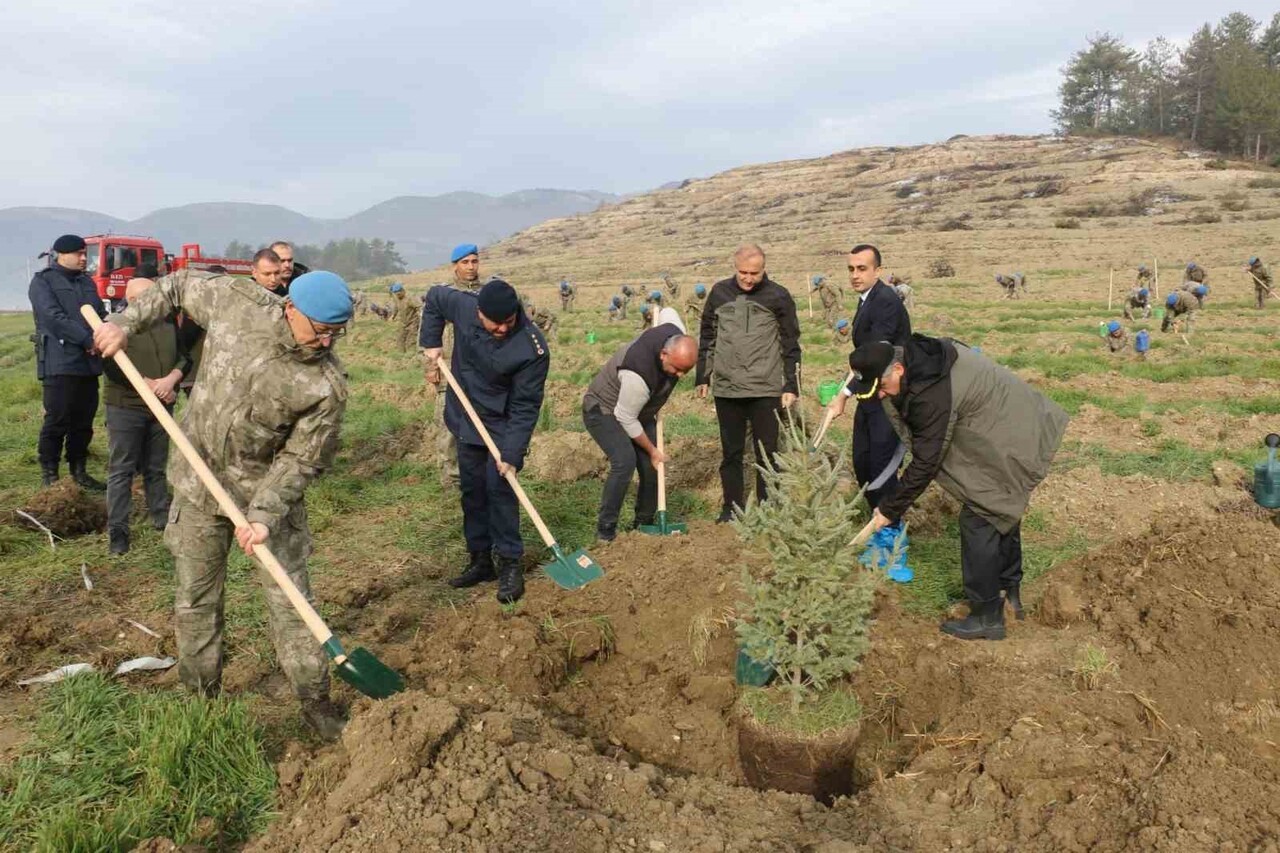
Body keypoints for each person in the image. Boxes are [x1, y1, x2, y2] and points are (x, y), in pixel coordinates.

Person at [92, 269, 354, 738]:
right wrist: (126, 323)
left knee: (292, 604)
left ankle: (316, 702)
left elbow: (302, 459)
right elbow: (174, 285)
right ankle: (200, 698)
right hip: (196, 484)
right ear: (291, 307)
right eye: (321, 330)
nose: (328, 342)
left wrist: (265, 513)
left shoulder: (324, 386)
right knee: (196, 598)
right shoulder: (237, 302)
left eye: (338, 332)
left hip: (265, 498)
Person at [854, 337, 1068, 639]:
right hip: (1005, 422)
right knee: (1000, 509)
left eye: (883, 388)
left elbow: (927, 462)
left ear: (899, 369)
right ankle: (1009, 593)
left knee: (981, 515)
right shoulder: (910, 360)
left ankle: (986, 616)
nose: (881, 396)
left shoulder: (931, 394)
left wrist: (890, 509)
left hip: (1012, 433)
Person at [420, 280, 549, 604]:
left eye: (509, 321)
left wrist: (512, 452)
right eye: (496, 323)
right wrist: (431, 343)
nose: (504, 328)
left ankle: (509, 562)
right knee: (472, 491)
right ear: (479, 313)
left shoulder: (531, 348)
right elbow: (435, 298)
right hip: (465, 412)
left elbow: (525, 407)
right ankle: (480, 560)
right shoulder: (464, 307)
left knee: (500, 491)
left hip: (501, 424)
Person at [696, 244, 801, 520]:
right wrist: (703, 376)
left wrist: (791, 385)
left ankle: (768, 510)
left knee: (766, 454)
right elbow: (707, 335)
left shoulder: (778, 296)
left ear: (763, 269)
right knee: (731, 453)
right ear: (735, 267)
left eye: (754, 273)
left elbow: (791, 344)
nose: (748, 278)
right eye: (743, 272)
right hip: (727, 389)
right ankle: (730, 509)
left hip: (765, 388)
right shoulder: (719, 293)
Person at [582, 307, 698, 541]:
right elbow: (625, 418)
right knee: (624, 461)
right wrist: (653, 450)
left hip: (639, 412)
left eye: (686, 370)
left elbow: (667, 311)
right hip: (603, 409)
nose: (680, 376)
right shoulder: (638, 372)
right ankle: (606, 532)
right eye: (677, 369)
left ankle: (643, 526)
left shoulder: (675, 332)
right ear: (664, 354)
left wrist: (652, 456)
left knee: (652, 468)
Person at [102, 273, 191, 555]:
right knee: (122, 469)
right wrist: (149, 385)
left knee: (156, 466)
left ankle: (161, 518)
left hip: (162, 406)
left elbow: (185, 357)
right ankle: (118, 531)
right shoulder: (115, 327)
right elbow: (112, 369)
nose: (158, 303)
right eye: (151, 298)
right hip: (126, 408)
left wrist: (170, 381)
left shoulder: (167, 323)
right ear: (132, 301)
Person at [826, 244, 912, 516]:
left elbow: (875, 355)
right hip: (869, 394)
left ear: (878, 271)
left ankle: (892, 541)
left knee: (882, 467)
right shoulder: (867, 299)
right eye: (851, 269)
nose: (854, 274)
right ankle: (878, 521)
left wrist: (843, 395)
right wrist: (847, 391)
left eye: (862, 268)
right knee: (863, 462)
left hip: (887, 398)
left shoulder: (885, 301)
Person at [29, 234, 107, 490]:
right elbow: (53, 318)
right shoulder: (44, 282)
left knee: (83, 421)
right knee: (58, 418)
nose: (84, 258)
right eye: (78, 254)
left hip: (88, 363)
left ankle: (79, 471)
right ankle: (49, 473)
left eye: (85, 254)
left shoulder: (87, 282)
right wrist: (87, 340)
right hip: (60, 361)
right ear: (61, 255)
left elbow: (99, 313)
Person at [421, 244, 486, 487]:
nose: (470, 266)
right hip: (449, 371)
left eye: (474, 261)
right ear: (455, 265)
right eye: (465, 262)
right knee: (448, 425)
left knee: (480, 422)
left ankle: (477, 473)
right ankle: (451, 478)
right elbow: (429, 335)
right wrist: (430, 367)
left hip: (480, 373)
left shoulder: (486, 294)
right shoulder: (443, 296)